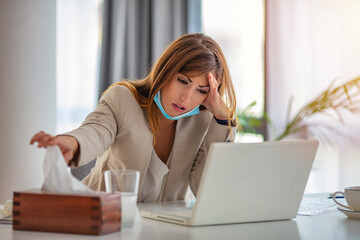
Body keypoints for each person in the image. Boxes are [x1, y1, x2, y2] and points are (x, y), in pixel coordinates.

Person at [30, 33, 238, 202]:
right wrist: (72, 142)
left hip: (159, 230)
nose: (186, 98)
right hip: (97, 219)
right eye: (182, 81)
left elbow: (205, 188)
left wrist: (222, 119)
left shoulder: (205, 121)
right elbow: (96, 130)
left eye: (201, 90)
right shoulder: (123, 98)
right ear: (166, 71)